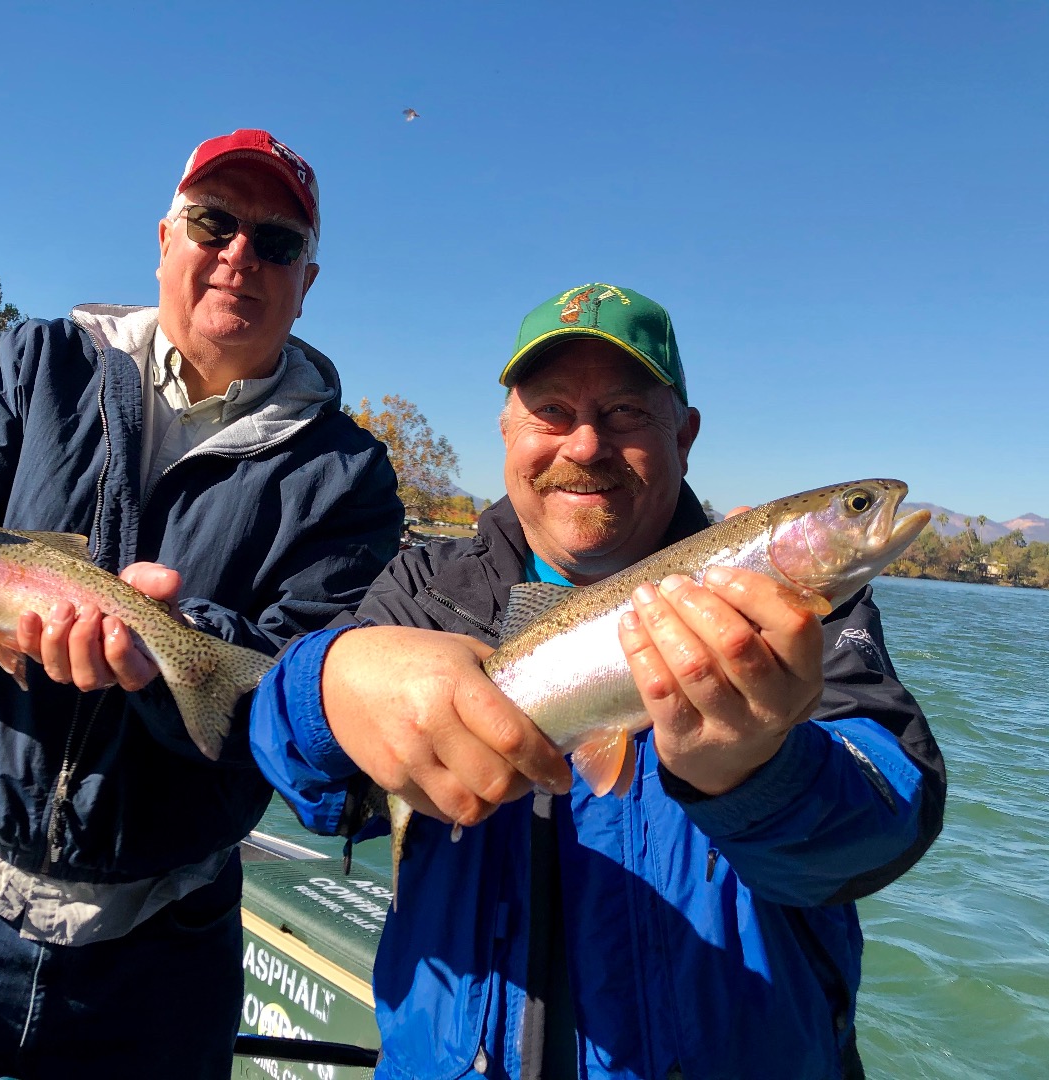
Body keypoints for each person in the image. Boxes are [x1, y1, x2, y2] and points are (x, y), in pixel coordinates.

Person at [0, 129, 403, 1079]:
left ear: (306, 281)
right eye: (213, 222)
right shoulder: (29, 363)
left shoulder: (349, 479)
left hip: (162, 950)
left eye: (276, 243)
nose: (239, 255)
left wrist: (174, 651)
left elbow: (298, 697)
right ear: (164, 238)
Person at [251, 282, 946, 1079]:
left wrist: (759, 775)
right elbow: (302, 774)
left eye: (624, 414)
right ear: (507, 433)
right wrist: (325, 682)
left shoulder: (806, 618)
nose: (585, 445)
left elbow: (884, 823)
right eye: (551, 412)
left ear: (684, 437)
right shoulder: (422, 591)